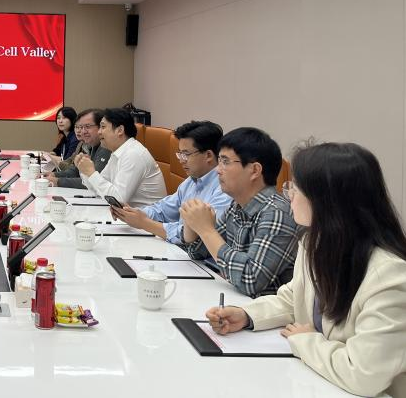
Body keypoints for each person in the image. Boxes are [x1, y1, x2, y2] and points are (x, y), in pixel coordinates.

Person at [205, 142, 406, 397]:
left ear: (326, 201)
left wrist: (306, 340)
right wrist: (247, 315)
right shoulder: (314, 242)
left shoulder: (389, 275)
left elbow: (364, 373)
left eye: (294, 188)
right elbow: (293, 298)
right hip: (321, 382)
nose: (288, 194)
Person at [181, 127, 298, 297]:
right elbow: (198, 252)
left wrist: (206, 230)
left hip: (260, 310)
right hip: (236, 301)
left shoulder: (277, 213)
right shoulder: (237, 205)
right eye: (219, 161)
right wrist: (191, 221)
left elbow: (250, 280)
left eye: (225, 162)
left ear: (255, 170)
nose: (218, 169)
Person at [109, 120, 231, 244]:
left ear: (208, 155)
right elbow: (162, 210)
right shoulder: (191, 181)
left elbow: (197, 236)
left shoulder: (225, 188)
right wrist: (132, 213)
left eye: (186, 154)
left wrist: (144, 223)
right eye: (180, 154)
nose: (181, 160)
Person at [76, 107, 166, 207]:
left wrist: (91, 173)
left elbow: (118, 199)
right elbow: (99, 189)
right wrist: (85, 171)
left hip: (147, 215)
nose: (99, 132)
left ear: (120, 130)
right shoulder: (118, 152)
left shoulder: (133, 154)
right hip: (127, 213)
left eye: (103, 127)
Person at [46, 108, 111, 189]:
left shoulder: (106, 147)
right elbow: (75, 170)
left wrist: (58, 181)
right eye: (80, 127)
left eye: (87, 126)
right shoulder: (90, 145)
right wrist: (54, 175)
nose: (82, 131)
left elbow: (93, 182)